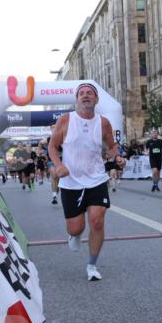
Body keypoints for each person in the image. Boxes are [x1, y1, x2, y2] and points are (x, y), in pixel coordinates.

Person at [48, 83, 118, 282]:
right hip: (71, 182)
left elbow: (113, 146)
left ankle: (92, 265)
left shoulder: (103, 123)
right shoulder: (65, 120)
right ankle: (74, 235)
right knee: (75, 228)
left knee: (97, 220)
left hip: (96, 178)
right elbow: (52, 146)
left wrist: (116, 156)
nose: (85, 96)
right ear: (76, 99)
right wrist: (59, 165)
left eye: (90, 94)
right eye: (82, 94)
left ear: (96, 99)